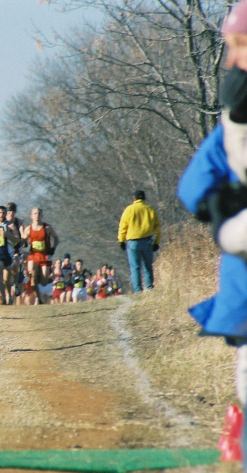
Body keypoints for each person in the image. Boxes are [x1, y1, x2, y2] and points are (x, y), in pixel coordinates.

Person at [178, 3, 247, 462]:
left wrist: (223, 213)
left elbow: (194, 190)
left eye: (237, 46)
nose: (228, 61)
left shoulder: (232, 124)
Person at [117, 190, 162, 293]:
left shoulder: (129, 210)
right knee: (147, 265)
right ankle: (149, 287)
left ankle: (138, 290)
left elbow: (123, 226)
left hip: (133, 242)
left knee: (135, 267)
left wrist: (121, 240)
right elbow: (157, 228)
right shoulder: (150, 210)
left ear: (134, 198)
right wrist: (156, 242)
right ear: (144, 198)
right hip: (147, 241)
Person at [22, 207, 59, 303]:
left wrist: (53, 249)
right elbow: (23, 240)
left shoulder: (47, 228)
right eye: (35, 213)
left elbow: (56, 238)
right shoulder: (28, 229)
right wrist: (23, 242)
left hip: (45, 256)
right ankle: (38, 298)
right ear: (31, 216)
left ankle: (45, 281)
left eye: (38, 214)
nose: (37, 215)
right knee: (32, 276)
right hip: (33, 256)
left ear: (42, 215)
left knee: (44, 281)